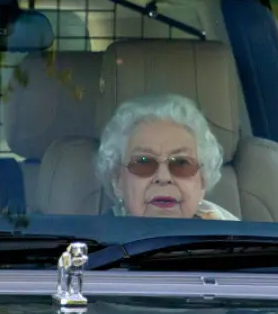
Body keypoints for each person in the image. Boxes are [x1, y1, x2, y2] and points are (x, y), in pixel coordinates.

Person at [95, 92, 239, 220]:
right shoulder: (95, 239)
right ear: (117, 181)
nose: (163, 178)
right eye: (144, 162)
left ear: (203, 182)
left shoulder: (233, 236)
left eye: (181, 163)